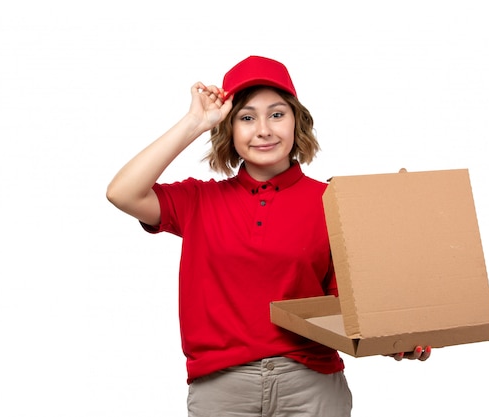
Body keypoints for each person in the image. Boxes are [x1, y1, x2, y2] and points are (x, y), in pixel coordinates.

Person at [106, 55, 431, 417]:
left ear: (297, 122)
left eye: (277, 114)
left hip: (312, 386)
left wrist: (395, 337)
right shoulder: (198, 200)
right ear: (228, 128)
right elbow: (122, 193)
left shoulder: (333, 202)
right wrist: (194, 122)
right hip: (221, 390)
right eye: (247, 117)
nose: (264, 129)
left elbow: (350, 305)